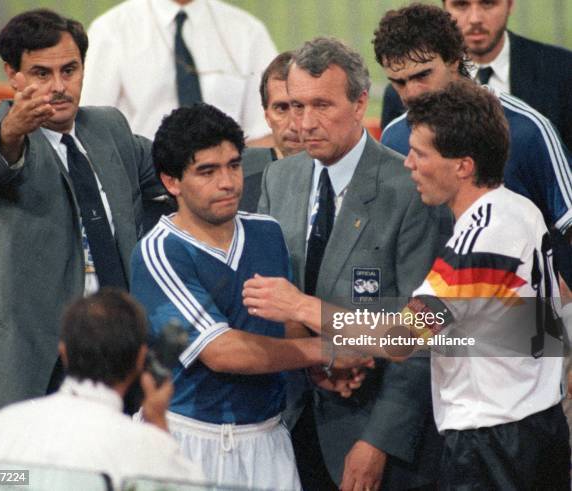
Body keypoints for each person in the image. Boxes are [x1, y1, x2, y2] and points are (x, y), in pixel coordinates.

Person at [244, 80, 571, 490]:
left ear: (462, 165)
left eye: (420, 154)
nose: (408, 164)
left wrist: (300, 307)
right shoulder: (519, 210)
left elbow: (401, 338)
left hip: (493, 444)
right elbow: (549, 315)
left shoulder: (479, 240)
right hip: (534, 426)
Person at [130, 103, 367, 490]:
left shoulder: (267, 234)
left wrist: (316, 371)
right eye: (207, 171)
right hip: (187, 440)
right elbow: (223, 352)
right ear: (172, 182)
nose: (228, 182)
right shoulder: (160, 251)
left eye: (234, 165)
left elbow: (287, 333)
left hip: (268, 439)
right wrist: (323, 351)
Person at [0, 9, 168, 419]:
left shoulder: (108, 128)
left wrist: (273, 160)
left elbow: (176, 168)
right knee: (6, 482)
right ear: (12, 75)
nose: (58, 86)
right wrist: (12, 130)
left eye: (69, 70)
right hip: (27, 363)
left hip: (117, 356)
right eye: (40, 74)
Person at [255, 37, 442, 491]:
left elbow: (424, 332)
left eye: (322, 105)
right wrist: (314, 359)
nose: (304, 123)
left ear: (361, 104)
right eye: (296, 105)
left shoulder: (411, 189)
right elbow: (269, 294)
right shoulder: (279, 179)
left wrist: (379, 442)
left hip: (375, 437)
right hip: (290, 423)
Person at [372, 3, 572, 287]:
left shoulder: (526, 129)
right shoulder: (393, 137)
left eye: (422, 75)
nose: (412, 94)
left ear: (454, 59)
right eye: (399, 83)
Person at [0, 289, 203, 489]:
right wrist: (158, 421)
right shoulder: (145, 447)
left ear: (63, 352)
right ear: (140, 359)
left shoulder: (4, 426)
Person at [380, 1, 572, 151]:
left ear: (510, 4)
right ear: (444, 10)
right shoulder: (401, 91)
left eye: (488, 3)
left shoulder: (563, 69)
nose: (475, 18)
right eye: (461, 4)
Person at [81, 0, 277, 145]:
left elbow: (267, 131)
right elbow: (91, 130)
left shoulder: (247, 31)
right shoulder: (111, 30)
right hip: (144, 184)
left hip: (230, 183)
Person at [241, 51, 303, 212]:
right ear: (267, 116)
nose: (294, 125)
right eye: (281, 108)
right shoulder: (235, 177)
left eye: (301, 107)